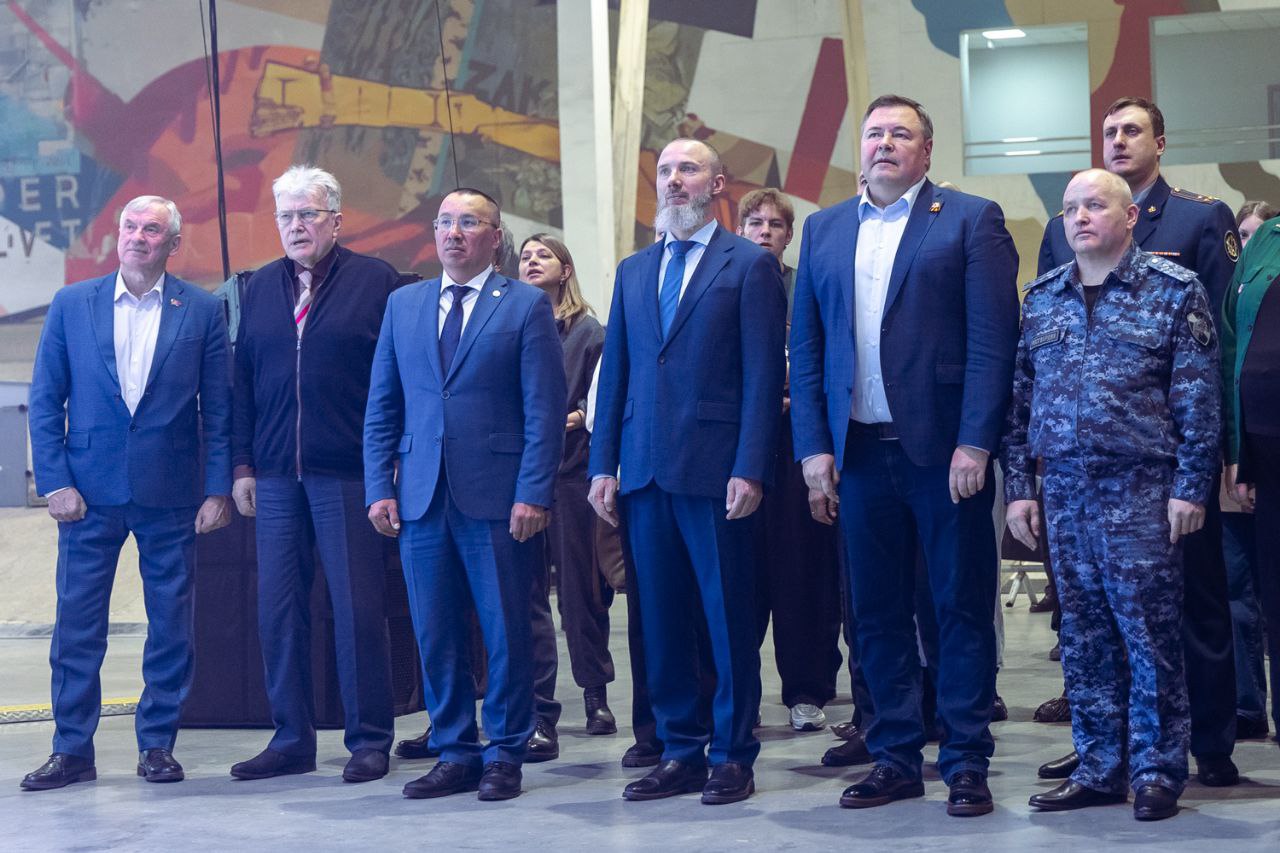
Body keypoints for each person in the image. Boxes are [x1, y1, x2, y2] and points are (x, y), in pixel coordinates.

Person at [789, 94, 1019, 817]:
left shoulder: (970, 219)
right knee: (876, 614)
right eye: (874, 133)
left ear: (926, 151)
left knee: (959, 608)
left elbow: (993, 342)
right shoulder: (824, 228)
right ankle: (893, 756)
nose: (884, 143)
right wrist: (813, 448)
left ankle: (966, 757)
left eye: (900, 134)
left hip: (944, 455)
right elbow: (807, 347)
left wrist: (976, 440)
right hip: (857, 454)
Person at [1036, 96, 1242, 787]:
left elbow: (1211, 356)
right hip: (1075, 483)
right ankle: (1106, 752)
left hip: (1156, 474)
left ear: (1160, 141)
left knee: (1183, 612)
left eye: (1132, 130)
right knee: (1088, 625)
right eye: (1109, 131)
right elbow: (1040, 365)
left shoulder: (1196, 220)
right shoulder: (1057, 253)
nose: (1119, 140)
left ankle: (1202, 745)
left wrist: (1208, 466)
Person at [1008, 168, 1221, 820]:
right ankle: (1100, 765)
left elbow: (1198, 399)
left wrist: (1191, 487)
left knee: (1149, 635)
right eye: (1071, 207)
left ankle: (1156, 771)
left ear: (1130, 217)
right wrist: (1019, 489)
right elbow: (1019, 404)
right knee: (1083, 636)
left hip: (1142, 491)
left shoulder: (1174, 290)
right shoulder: (1043, 297)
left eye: (1095, 205)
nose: (1079, 217)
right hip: (1064, 490)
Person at [589, 137, 786, 805]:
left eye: (689, 169)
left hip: (715, 472)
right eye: (667, 170)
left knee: (727, 620)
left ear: (717, 184)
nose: (674, 180)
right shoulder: (634, 270)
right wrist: (603, 463)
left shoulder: (749, 264)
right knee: (662, 621)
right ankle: (679, 750)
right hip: (644, 473)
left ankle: (731, 754)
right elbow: (615, 371)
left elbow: (763, 375)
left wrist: (750, 466)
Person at [23, 195, 232, 790]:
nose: (139, 237)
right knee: (76, 627)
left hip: (172, 493)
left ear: (174, 243)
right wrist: (55, 481)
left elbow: (220, 409)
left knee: (171, 625)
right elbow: (45, 400)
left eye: (153, 229)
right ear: (118, 234)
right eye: (131, 226)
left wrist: (217, 488)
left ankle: (157, 746)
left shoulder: (201, 310)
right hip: (86, 495)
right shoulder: (72, 304)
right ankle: (71, 750)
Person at [364, 188, 565, 801]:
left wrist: (534, 491)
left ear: (495, 237)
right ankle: (455, 750)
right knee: (435, 631)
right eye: (445, 222)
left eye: (469, 222)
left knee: (505, 631)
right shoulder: (403, 305)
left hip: (499, 499)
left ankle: (504, 752)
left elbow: (544, 410)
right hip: (420, 496)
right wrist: (378, 487)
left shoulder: (525, 305)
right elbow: (382, 405)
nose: (454, 232)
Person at [229, 166, 399, 784]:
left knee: (358, 611)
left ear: (336, 220)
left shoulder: (376, 281)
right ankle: (291, 738)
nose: (296, 226)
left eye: (308, 214)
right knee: (279, 612)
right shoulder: (258, 288)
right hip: (276, 477)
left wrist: (388, 466)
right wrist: (242, 466)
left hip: (348, 474)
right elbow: (243, 382)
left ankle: (369, 740)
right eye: (286, 215)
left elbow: (397, 379)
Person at [736, 188, 843, 733]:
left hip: (799, 443)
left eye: (775, 225)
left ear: (789, 234)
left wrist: (795, 396)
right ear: (740, 230)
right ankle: (740, 694)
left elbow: (826, 356)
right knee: (742, 578)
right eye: (755, 223)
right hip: (739, 448)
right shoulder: (726, 280)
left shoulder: (808, 284)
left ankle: (806, 691)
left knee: (804, 574)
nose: (764, 232)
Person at [518, 234, 617, 741]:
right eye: (525, 256)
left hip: (572, 475)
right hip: (519, 477)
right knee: (527, 594)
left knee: (581, 596)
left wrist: (571, 417)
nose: (532, 262)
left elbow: (599, 402)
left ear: (566, 270)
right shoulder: (511, 321)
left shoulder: (588, 332)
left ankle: (596, 696)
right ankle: (537, 707)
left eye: (543, 255)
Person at [1219, 201, 1277, 740]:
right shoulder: (1244, 267)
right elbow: (1228, 356)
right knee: (1241, 592)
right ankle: (1247, 706)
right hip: (1243, 456)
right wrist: (1235, 454)